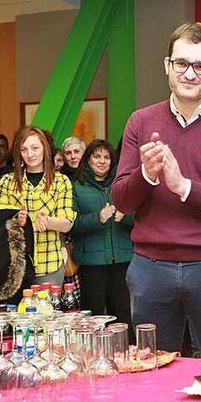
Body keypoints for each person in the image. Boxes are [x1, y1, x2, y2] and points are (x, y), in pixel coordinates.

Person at [111, 22, 201, 360]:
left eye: (200, 66)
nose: (189, 73)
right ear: (167, 65)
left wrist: (183, 187)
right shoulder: (140, 122)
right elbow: (121, 199)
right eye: (181, 63)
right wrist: (146, 176)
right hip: (151, 269)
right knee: (152, 370)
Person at [0, 126, 76, 286]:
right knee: (16, 311)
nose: (30, 154)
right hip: (16, 265)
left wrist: (47, 221)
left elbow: (67, 224)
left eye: (35, 148)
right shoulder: (7, 181)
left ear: (44, 149)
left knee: (47, 310)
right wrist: (16, 219)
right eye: (24, 149)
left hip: (49, 263)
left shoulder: (60, 181)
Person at [71, 139, 134, 341]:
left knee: (123, 312)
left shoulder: (123, 184)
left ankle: (127, 356)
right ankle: (96, 358)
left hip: (123, 259)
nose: (102, 161)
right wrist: (98, 218)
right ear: (88, 159)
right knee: (94, 313)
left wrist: (126, 217)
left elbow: (143, 217)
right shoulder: (76, 186)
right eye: (97, 156)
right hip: (91, 262)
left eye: (106, 157)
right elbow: (73, 224)